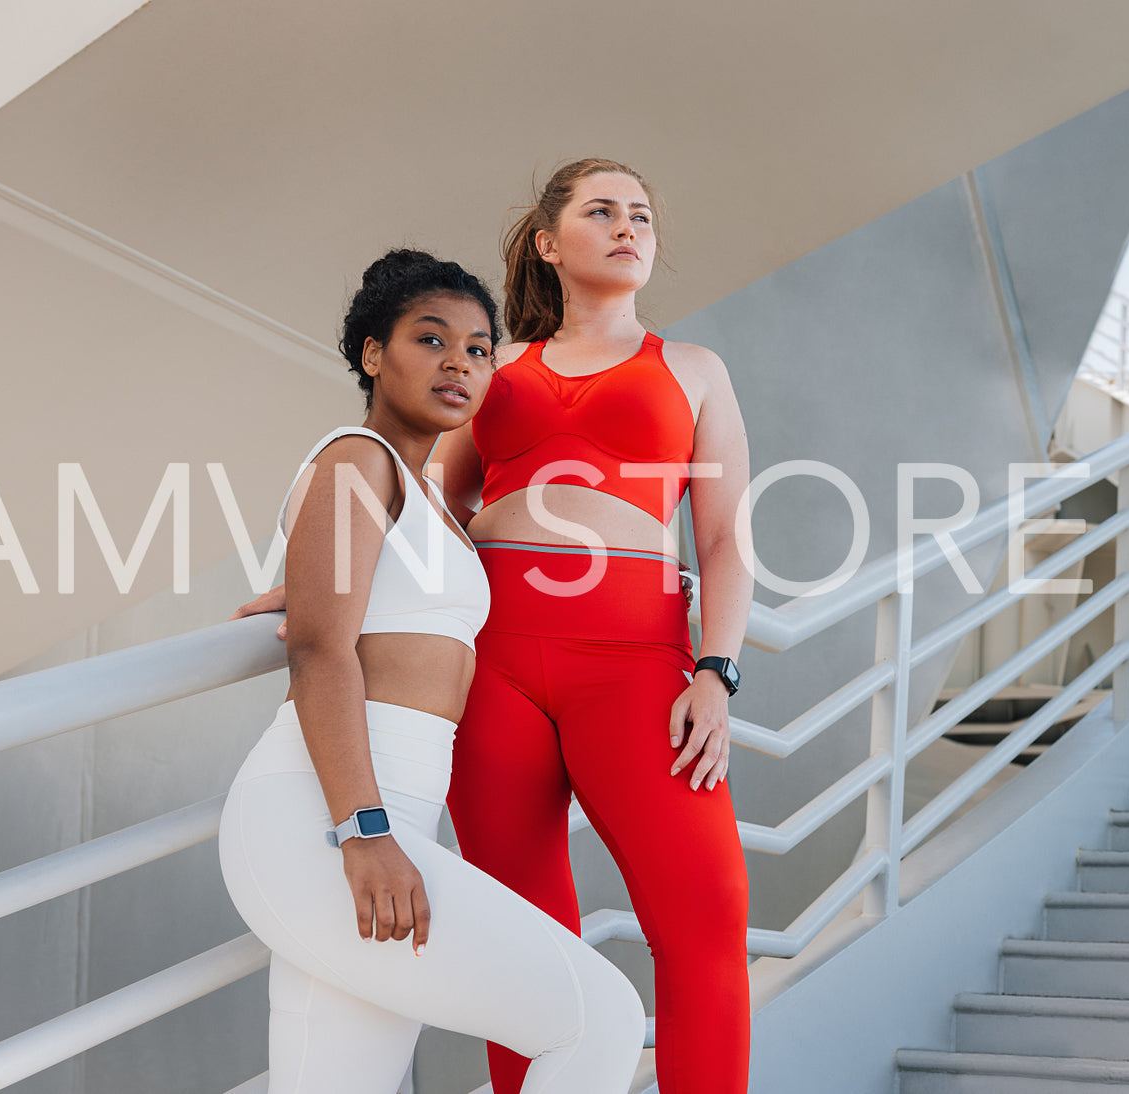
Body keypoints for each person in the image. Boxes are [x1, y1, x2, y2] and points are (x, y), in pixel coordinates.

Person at [238, 161, 754, 1094]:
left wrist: (716, 671)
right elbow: (425, 503)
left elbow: (721, 543)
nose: (629, 226)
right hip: (495, 665)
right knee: (527, 923)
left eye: (641, 214)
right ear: (550, 243)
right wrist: (321, 578)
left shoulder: (696, 371)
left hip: (638, 660)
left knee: (705, 917)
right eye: (602, 211)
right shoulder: (493, 371)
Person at [218, 249, 646, 1094]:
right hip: (327, 816)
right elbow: (320, 650)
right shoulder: (358, 457)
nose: (459, 362)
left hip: (389, 813)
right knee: (599, 1016)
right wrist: (364, 831)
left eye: (480, 348)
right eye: (431, 338)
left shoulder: (423, 500)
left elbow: (368, 604)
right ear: (373, 354)